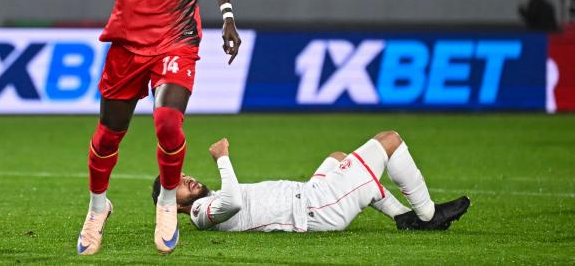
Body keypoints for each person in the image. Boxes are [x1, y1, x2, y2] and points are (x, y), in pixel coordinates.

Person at [76, 0, 241, 256]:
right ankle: (98, 208)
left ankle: (168, 200)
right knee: (108, 135)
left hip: (177, 40)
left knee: (168, 121)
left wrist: (227, 15)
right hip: (129, 45)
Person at [153, 133, 470, 233]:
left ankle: (402, 217)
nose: (186, 179)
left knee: (337, 156)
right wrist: (222, 157)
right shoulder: (199, 213)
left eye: (182, 175)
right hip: (314, 207)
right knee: (390, 140)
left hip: (309, 198)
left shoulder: (206, 204)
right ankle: (427, 215)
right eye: (178, 184)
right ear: (173, 205)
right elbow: (233, 202)